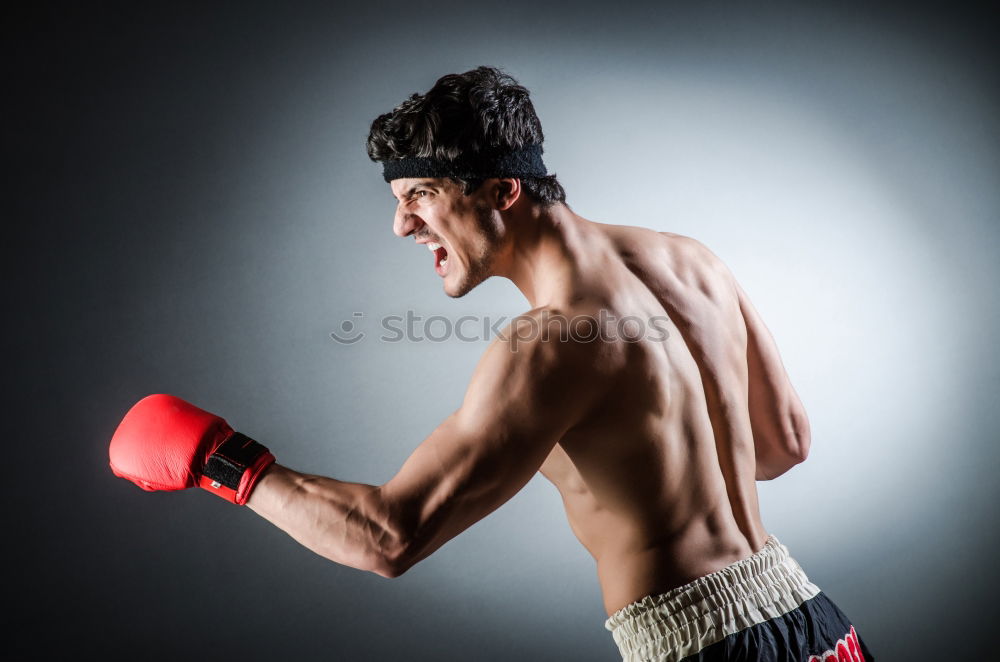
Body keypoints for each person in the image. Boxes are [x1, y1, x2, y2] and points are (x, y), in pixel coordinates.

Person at [108, 66, 874, 661]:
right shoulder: (690, 261)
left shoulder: (548, 344)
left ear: (504, 190)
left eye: (423, 195)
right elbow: (783, 446)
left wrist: (221, 460)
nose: (402, 224)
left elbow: (387, 538)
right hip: (815, 621)